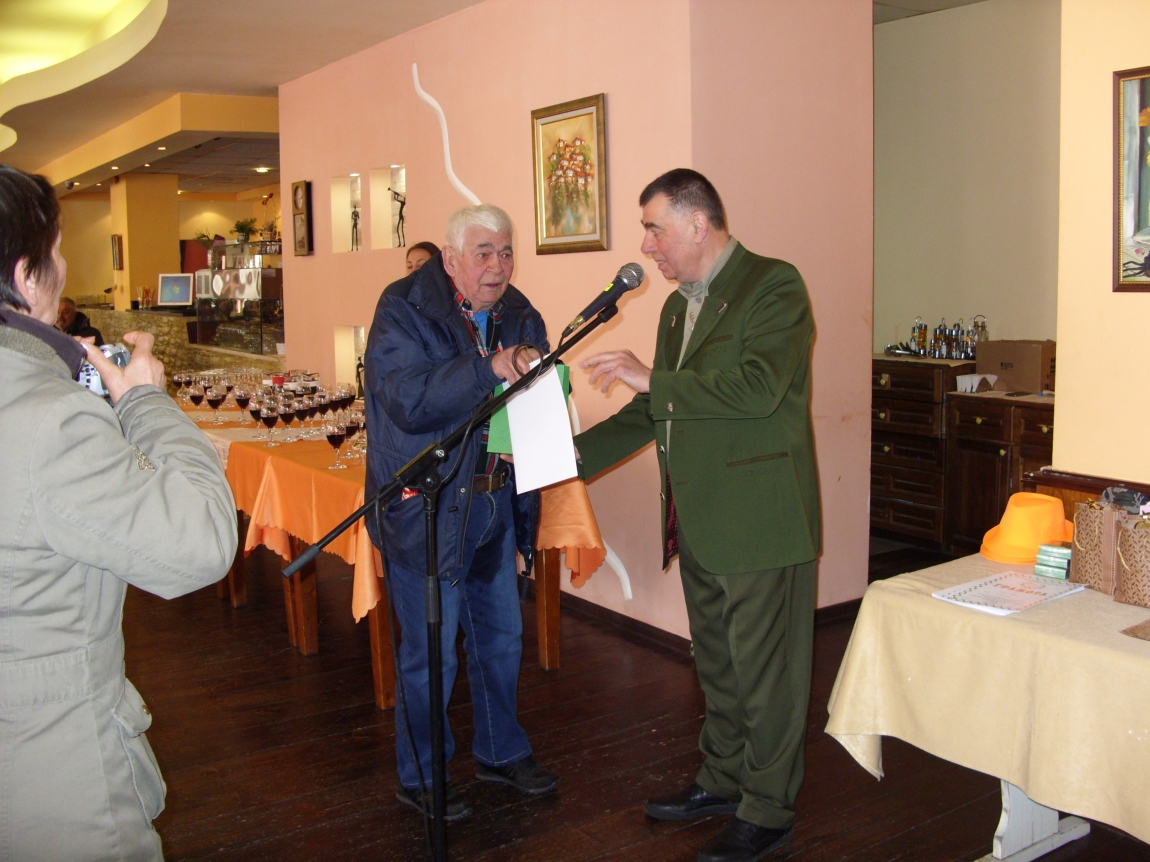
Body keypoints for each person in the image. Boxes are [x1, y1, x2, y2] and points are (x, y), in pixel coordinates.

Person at [574, 169, 820, 862]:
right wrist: (563, 463)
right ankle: (723, 778)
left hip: (762, 520)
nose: (646, 246)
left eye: (654, 229)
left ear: (697, 223)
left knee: (767, 676)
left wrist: (654, 378)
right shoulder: (677, 310)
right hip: (699, 518)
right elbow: (654, 410)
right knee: (718, 665)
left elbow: (758, 388)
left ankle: (767, 810)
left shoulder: (774, 286)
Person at [0, 165, 238, 862]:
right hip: (50, 769)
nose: (64, 268)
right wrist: (144, 403)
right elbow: (200, 542)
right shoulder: (46, 416)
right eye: (56, 252)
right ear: (26, 277)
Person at [364, 204, 558, 821]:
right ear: (450, 259)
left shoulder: (519, 311)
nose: (498, 266)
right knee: (432, 653)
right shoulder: (403, 308)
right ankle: (422, 775)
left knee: (501, 639)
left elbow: (531, 401)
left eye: (507, 252)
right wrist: (489, 367)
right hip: (427, 507)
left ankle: (501, 752)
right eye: (484, 253)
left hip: (494, 500)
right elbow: (409, 400)